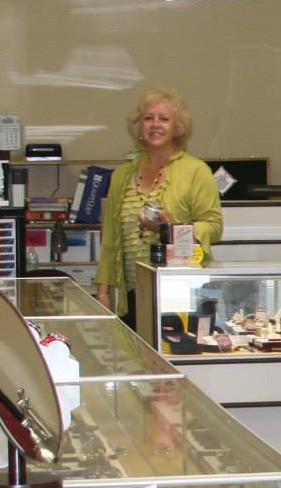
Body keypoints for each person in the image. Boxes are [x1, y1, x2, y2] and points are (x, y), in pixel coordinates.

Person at [94, 86, 223, 328]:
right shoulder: (121, 175)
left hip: (182, 292)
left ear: (178, 128)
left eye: (164, 119)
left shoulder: (196, 171)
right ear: (138, 127)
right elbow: (109, 242)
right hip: (134, 295)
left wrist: (170, 229)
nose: (155, 125)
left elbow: (214, 227)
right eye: (148, 118)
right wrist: (102, 293)